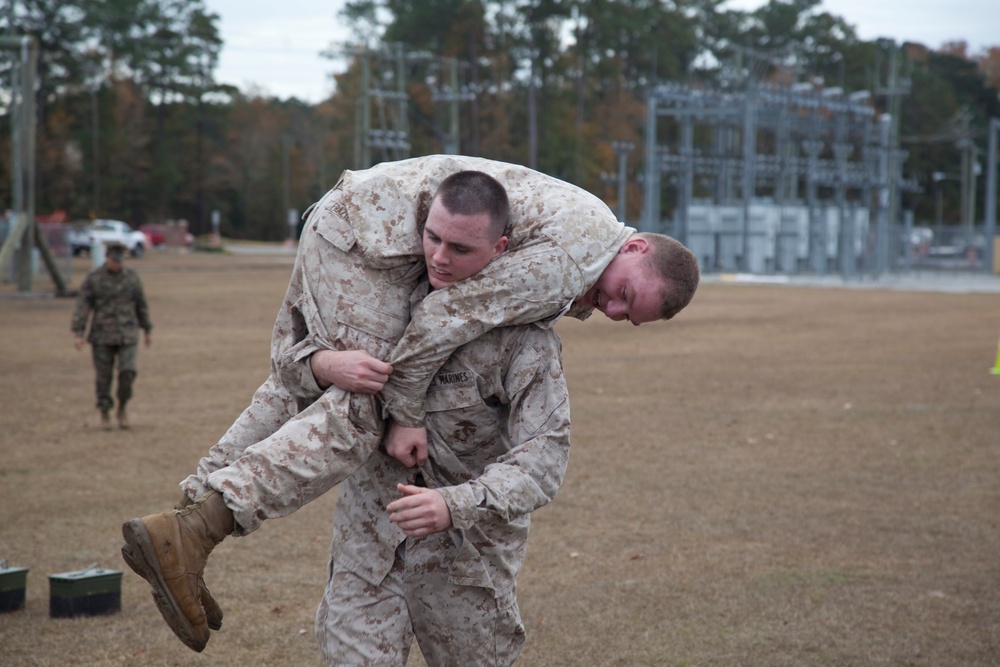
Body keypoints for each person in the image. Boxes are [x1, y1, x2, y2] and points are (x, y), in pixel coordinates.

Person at [121, 157, 700, 652]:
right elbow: (444, 316)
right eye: (625, 294)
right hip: (365, 239)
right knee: (371, 394)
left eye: (629, 317)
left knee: (330, 381)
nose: (614, 311)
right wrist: (407, 414)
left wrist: (316, 363)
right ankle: (197, 530)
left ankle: (186, 520)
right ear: (636, 245)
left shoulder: (584, 229)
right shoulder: (574, 260)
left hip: (351, 225)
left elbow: (290, 375)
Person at [316, 319, 569, 666]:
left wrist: (455, 503)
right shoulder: (385, 304)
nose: (440, 260)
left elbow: (543, 459)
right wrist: (322, 364)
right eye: (434, 256)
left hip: (466, 558)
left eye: (462, 257)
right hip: (368, 544)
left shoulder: (525, 339)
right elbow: (287, 365)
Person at [71, 240, 152, 430]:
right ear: (107, 258)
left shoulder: (132, 277)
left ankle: (122, 407)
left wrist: (147, 329)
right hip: (102, 335)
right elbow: (83, 306)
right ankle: (105, 412)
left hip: (128, 333)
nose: (118, 264)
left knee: (128, 372)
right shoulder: (94, 278)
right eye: (115, 260)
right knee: (103, 377)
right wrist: (79, 332)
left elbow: (141, 304)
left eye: (120, 261)